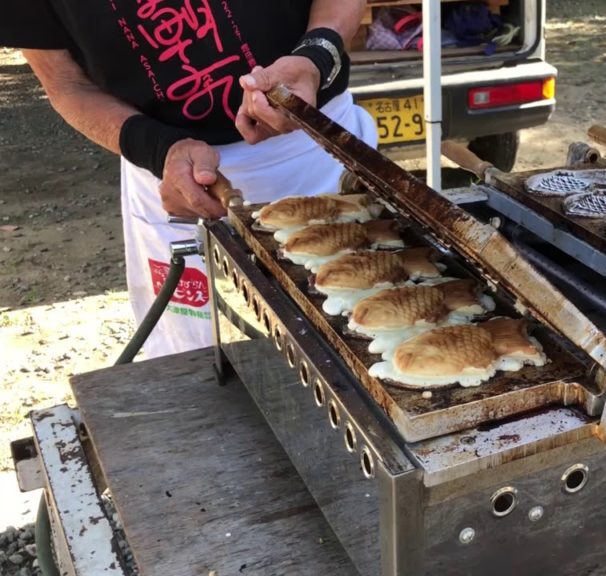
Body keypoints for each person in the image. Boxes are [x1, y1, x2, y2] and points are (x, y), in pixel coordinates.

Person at [0, 1, 376, 358]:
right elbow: (66, 84)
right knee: (197, 365)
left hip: (312, 148)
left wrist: (315, 56)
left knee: (367, 342)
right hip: (172, 179)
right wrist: (159, 150)